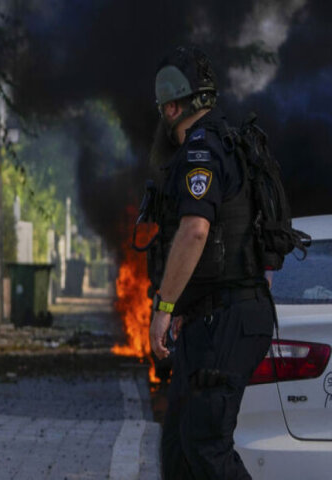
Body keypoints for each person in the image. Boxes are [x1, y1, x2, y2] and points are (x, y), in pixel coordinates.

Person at [146, 46, 275, 479]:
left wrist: (164, 307)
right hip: (211, 317)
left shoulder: (202, 150)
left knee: (205, 443)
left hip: (229, 318)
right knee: (180, 447)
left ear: (173, 104)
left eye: (164, 105)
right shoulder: (226, 143)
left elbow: (195, 231)